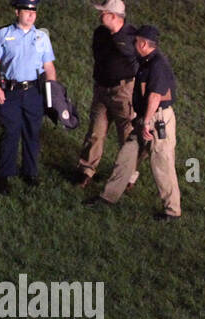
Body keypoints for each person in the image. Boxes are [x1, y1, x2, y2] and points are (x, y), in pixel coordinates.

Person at [85, 25, 179, 219]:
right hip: (146, 117)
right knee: (126, 156)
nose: (133, 44)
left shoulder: (157, 65)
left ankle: (172, 210)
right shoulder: (146, 60)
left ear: (144, 44)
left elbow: (154, 96)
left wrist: (146, 123)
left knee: (162, 164)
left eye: (136, 41)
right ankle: (108, 197)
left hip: (156, 119)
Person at [0, 0, 58, 194]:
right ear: (17, 11)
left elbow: (49, 66)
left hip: (34, 91)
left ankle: (30, 172)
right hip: (10, 91)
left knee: (32, 132)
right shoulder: (3, 34)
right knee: (10, 132)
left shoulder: (41, 37)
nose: (31, 14)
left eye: (33, 11)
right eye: (27, 10)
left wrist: (52, 92)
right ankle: (4, 175)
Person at [76, 0, 140, 190]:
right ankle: (86, 170)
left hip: (124, 93)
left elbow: (136, 62)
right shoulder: (99, 33)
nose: (99, 15)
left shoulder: (131, 37)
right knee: (95, 132)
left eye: (103, 13)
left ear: (113, 16)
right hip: (102, 90)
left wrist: (117, 37)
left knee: (128, 135)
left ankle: (128, 176)